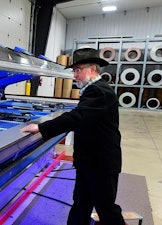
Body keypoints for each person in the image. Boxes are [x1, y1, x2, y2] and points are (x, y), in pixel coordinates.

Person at [21, 48, 126, 225]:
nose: (75, 75)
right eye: (74, 71)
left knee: (106, 208)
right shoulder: (93, 90)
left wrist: (40, 127)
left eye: (78, 70)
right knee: (82, 203)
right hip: (89, 161)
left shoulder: (99, 91)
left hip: (101, 163)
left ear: (92, 69)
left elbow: (77, 117)